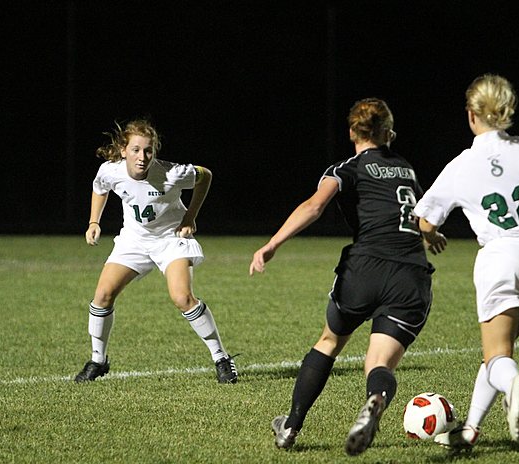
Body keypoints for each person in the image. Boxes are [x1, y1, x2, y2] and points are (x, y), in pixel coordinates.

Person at [250, 98, 438, 456]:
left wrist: (272, 244)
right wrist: (431, 235)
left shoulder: (346, 168)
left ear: (352, 131)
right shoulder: (406, 169)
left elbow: (314, 206)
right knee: (378, 363)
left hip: (365, 269)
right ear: (388, 132)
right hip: (410, 274)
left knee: (329, 342)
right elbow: (423, 214)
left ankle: (290, 426)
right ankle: (375, 399)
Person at [415, 74, 519, 450]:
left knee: (499, 359)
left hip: (502, 256)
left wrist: (430, 236)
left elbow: (425, 218)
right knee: (498, 350)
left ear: (471, 115)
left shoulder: (464, 162)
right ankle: (469, 430)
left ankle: (514, 384)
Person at [74, 119, 238, 384]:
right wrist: (94, 221)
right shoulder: (110, 170)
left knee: (182, 297)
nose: (142, 157)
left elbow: (205, 176)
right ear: (123, 150)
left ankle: (221, 358)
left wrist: (189, 217)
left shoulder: (173, 173)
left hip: (170, 238)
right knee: (102, 295)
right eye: (136, 150)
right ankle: (98, 360)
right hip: (134, 240)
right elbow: (99, 188)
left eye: (148, 150)